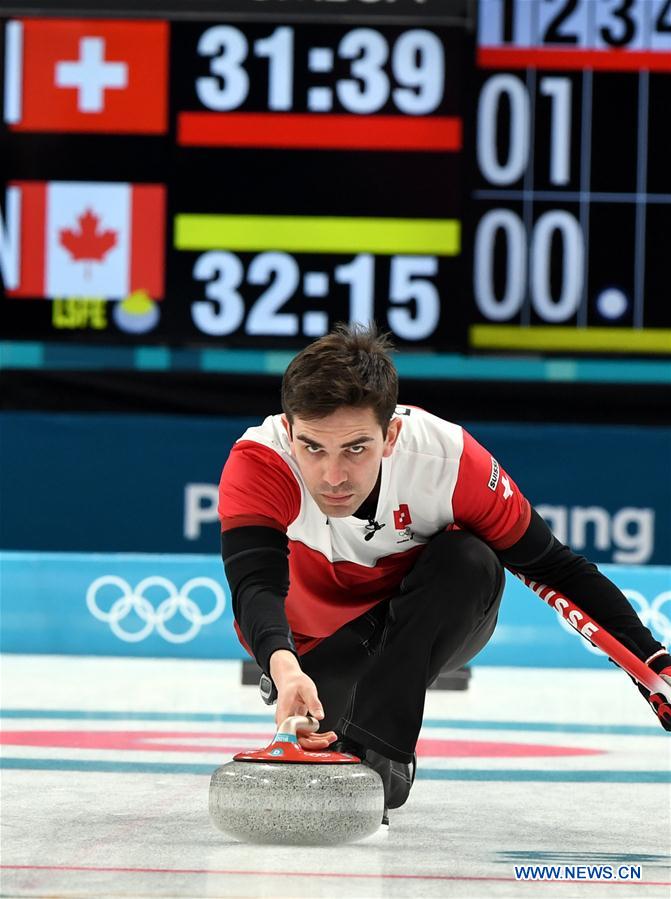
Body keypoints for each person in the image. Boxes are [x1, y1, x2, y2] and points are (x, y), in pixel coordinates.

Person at [218, 323, 670, 824]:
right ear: (289, 431)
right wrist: (282, 665)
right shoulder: (261, 460)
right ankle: (336, 700)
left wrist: (654, 669)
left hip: (431, 620)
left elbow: (554, 568)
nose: (333, 476)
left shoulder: (448, 461)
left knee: (471, 558)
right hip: (315, 646)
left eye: (356, 448)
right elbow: (254, 583)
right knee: (318, 682)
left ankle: (379, 754)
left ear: (390, 435)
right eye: (313, 448)